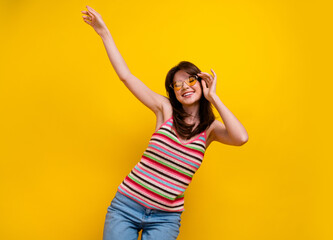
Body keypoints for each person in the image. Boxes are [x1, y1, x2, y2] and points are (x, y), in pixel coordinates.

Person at [81, 5, 249, 240]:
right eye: (177, 85)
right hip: (125, 207)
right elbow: (126, 76)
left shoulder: (210, 129)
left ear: (202, 83)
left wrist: (215, 98)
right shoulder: (165, 109)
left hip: (165, 218)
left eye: (190, 80)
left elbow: (241, 138)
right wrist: (104, 33)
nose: (184, 87)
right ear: (173, 92)